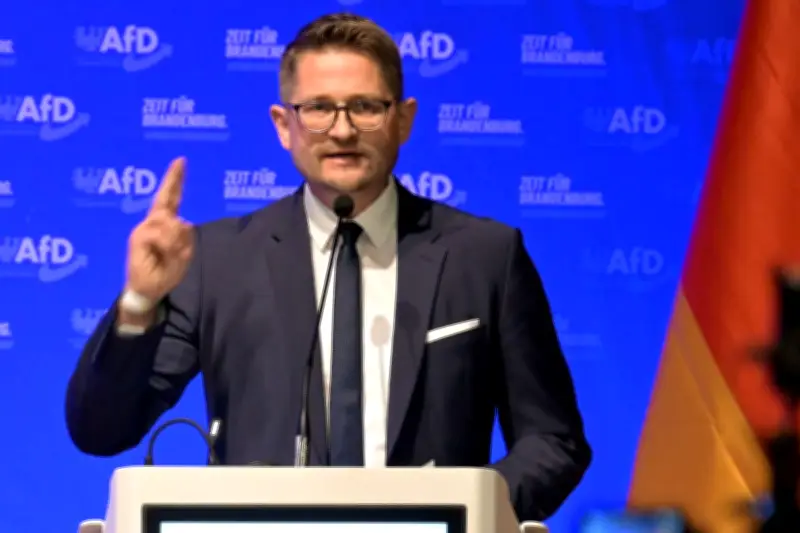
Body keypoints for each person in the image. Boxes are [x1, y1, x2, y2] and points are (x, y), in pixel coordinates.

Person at [65, 12, 591, 523]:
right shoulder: (218, 260)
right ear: (284, 125)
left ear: (403, 119)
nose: (342, 130)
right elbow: (100, 430)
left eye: (365, 107)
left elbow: (554, 440)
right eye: (318, 108)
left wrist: (472, 510)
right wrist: (140, 302)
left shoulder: (484, 255)